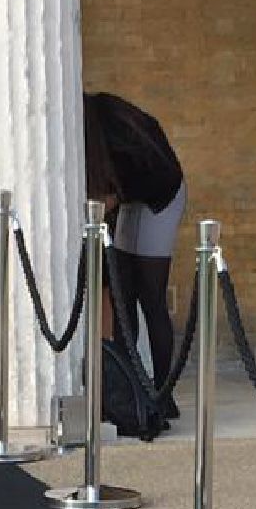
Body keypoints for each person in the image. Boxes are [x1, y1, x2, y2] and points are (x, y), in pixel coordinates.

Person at [84, 91, 185, 381]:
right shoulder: (99, 125)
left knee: (151, 295)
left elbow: (155, 175)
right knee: (123, 294)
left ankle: (162, 390)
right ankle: (131, 383)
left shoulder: (113, 129)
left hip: (161, 194)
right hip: (131, 198)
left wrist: (115, 198)